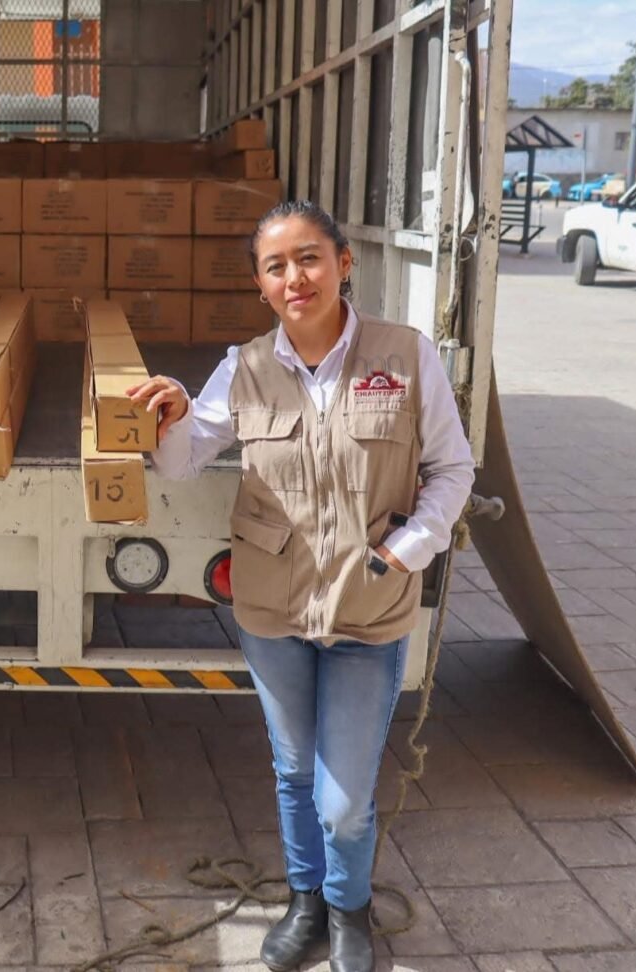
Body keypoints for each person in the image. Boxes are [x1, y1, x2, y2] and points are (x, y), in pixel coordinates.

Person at [127, 200, 475, 972]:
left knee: (344, 797)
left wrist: (409, 551)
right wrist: (174, 415)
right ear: (260, 284)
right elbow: (183, 462)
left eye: (310, 258)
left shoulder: (406, 356)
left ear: (345, 263)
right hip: (271, 609)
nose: (296, 278)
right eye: (276, 266)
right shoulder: (245, 367)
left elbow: (452, 469)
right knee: (293, 770)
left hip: (368, 610)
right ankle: (305, 898)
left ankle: (350, 910)